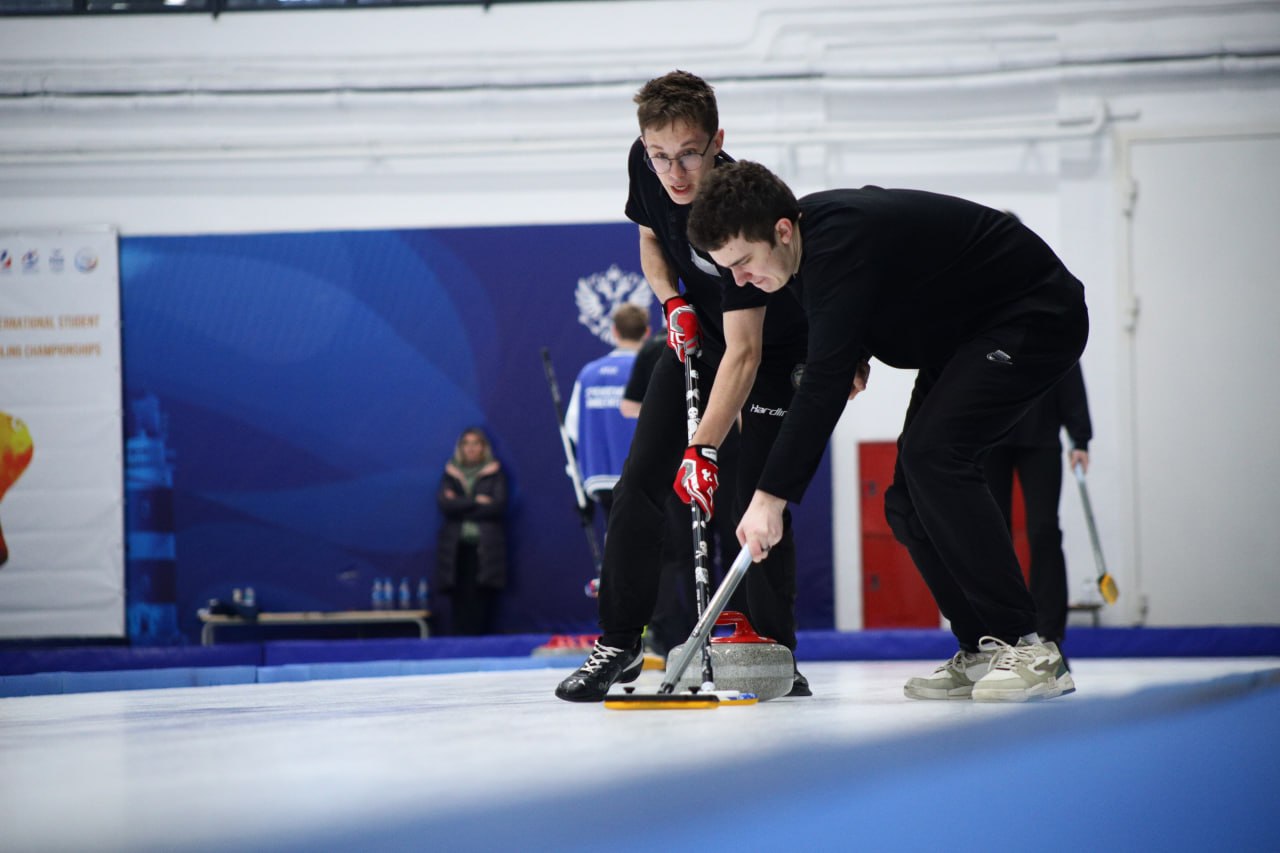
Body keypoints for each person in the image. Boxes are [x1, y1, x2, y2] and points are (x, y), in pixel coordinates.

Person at [687, 161, 1087, 702]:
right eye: (726, 270)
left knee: (934, 456)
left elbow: (823, 383)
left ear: (781, 230)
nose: (739, 281)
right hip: (964, 335)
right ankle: (983, 646)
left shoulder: (836, 240)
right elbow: (872, 298)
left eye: (742, 263)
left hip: (1034, 312)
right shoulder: (802, 254)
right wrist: (855, 350)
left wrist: (769, 497)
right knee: (905, 504)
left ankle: (1029, 647)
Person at [555, 71, 811, 703]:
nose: (674, 172)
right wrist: (671, 300)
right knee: (640, 480)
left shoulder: (735, 203)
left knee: (756, 494)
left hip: (766, 346)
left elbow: (745, 352)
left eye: (690, 154)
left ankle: (773, 651)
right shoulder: (647, 167)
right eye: (660, 155)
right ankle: (620, 643)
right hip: (695, 332)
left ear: (717, 142)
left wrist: (704, 447)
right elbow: (649, 238)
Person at [983, 361, 1092, 653]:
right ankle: (1000, 631)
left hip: (1041, 434)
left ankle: (1049, 634)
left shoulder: (1051, 328)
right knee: (992, 534)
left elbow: (1067, 365)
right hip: (990, 435)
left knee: (1044, 531)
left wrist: (1080, 438)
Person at [564, 303, 650, 517]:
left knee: (614, 535)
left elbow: (571, 429)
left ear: (614, 331)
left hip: (599, 476)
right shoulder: (650, 368)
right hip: (643, 475)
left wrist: (577, 477)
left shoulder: (589, 374)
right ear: (647, 332)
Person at [436, 427, 508, 636]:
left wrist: (460, 503)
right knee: (459, 597)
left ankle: (480, 642)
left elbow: (497, 506)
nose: (471, 448)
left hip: (485, 546)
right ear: (460, 447)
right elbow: (445, 505)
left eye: (476, 443)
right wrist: (476, 500)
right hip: (456, 548)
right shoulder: (450, 473)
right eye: (466, 443)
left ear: (483, 447)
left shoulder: (495, 472)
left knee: (481, 598)